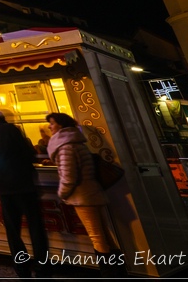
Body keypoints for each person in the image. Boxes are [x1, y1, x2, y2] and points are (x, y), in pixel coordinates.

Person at [45, 112, 127, 277]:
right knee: (105, 234)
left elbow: (69, 176)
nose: (49, 126)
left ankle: (110, 274)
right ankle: (119, 272)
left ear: (60, 125)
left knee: (96, 236)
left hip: (82, 197)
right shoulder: (77, 142)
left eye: (52, 123)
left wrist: (62, 193)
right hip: (92, 193)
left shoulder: (65, 146)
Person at [0, 111, 51, 278]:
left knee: (13, 232)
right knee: (36, 229)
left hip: (4, 187)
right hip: (24, 185)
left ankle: (21, 268)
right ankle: (42, 268)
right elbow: (29, 154)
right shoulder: (13, 129)